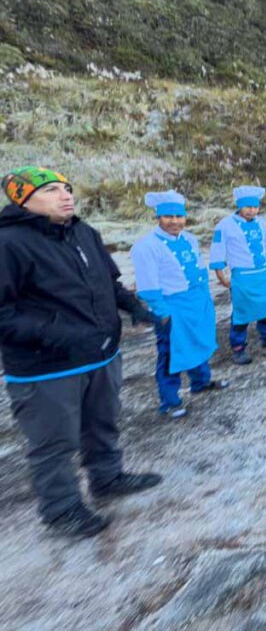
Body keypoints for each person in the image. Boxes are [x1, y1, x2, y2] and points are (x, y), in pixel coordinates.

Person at [0, 166, 160, 538]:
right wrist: (57, 334)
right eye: (51, 190)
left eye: (67, 188)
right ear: (22, 200)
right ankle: (62, 510)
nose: (66, 196)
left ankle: (107, 477)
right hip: (47, 367)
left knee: (102, 424)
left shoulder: (84, 232)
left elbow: (109, 282)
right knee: (54, 442)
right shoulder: (8, 244)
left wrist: (133, 307)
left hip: (101, 355)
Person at [130, 191, 224, 419]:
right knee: (170, 353)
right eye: (168, 216)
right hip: (171, 307)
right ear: (158, 218)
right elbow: (148, 285)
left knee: (198, 343)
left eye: (179, 216)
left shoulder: (190, 239)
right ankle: (169, 400)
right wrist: (162, 312)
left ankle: (200, 382)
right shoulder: (146, 246)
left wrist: (205, 300)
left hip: (196, 303)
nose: (174, 221)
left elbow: (199, 270)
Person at [211, 185, 266, 362]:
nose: (251, 211)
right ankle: (238, 347)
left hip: (263, 273)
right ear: (239, 206)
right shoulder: (225, 226)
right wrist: (221, 276)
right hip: (243, 276)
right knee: (242, 313)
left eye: (255, 207)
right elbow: (217, 250)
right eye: (248, 207)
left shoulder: (261, 222)